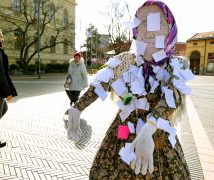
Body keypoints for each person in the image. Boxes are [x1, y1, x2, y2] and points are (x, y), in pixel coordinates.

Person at [67, 0, 194, 179]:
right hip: (123, 130)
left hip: (156, 138)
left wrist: (148, 129)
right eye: (143, 22)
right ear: (135, 30)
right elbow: (101, 82)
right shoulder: (125, 60)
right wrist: (77, 107)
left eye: (158, 22)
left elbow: (173, 98)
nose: (149, 30)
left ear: (171, 29)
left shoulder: (177, 65)